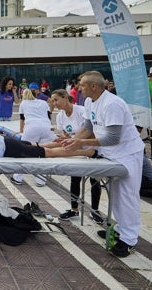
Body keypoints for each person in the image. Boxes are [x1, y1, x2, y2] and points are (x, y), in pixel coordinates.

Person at [61, 71, 144, 258]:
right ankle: (120, 231)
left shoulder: (112, 104)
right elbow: (88, 127)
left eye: (81, 85)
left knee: (127, 197)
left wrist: (82, 143)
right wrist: (74, 140)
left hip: (127, 154)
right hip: (111, 155)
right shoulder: (90, 102)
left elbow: (113, 137)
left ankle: (129, 240)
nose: (78, 88)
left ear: (93, 86)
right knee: (115, 195)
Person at [51, 89, 103, 224]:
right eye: (53, 101)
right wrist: (65, 139)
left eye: (56, 100)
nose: (54, 104)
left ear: (65, 97)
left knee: (94, 181)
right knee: (75, 178)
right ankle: (74, 209)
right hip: (78, 151)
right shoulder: (60, 117)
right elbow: (68, 136)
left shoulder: (81, 111)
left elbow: (92, 131)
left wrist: (78, 141)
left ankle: (95, 211)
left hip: (93, 148)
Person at [0, 134, 96, 164]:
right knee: (40, 146)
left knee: (49, 154)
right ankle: (75, 144)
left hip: (8, 148)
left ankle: (86, 151)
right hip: (4, 141)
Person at [11, 88, 55, 187]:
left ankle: (17, 178)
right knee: (43, 153)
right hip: (47, 128)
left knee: (24, 152)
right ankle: (41, 181)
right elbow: (48, 117)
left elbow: (22, 119)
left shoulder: (24, 103)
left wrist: (21, 131)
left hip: (32, 128)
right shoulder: (43, 103)